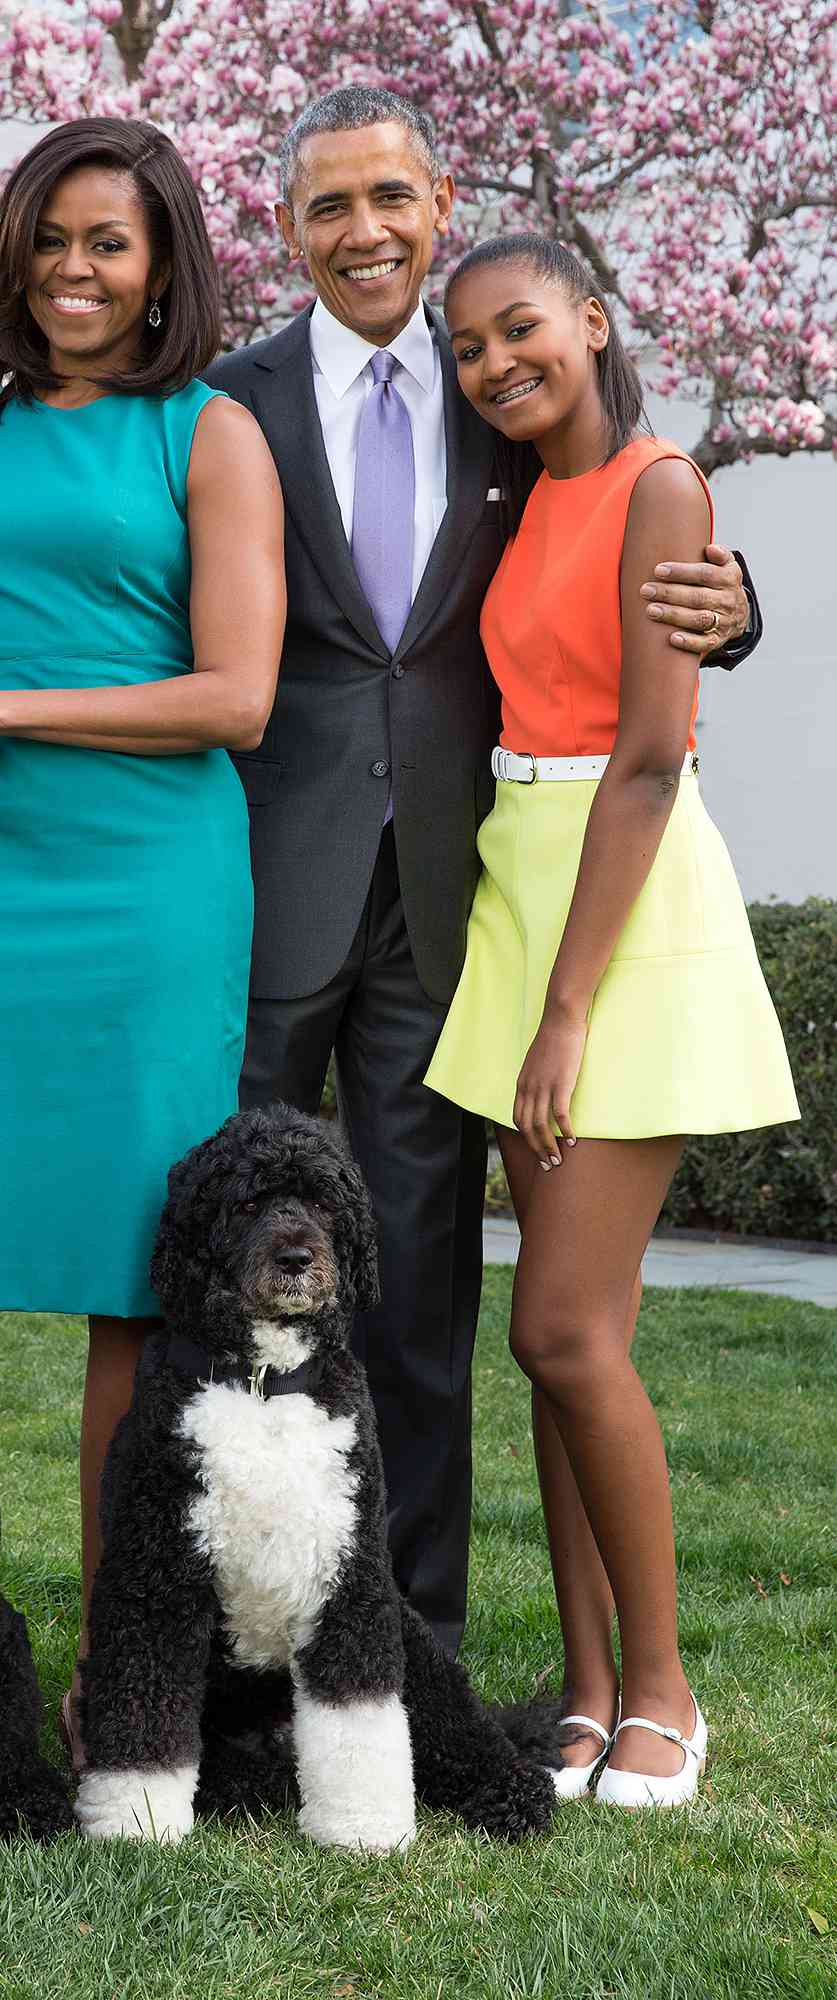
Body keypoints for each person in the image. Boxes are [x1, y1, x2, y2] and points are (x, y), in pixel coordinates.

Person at [203, 86, 760, 1657]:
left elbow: (627, 535)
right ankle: (225, 1627)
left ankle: (411, 1644)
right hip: (263, 882)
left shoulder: (499, 383)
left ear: (438, 203)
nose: (361, 231)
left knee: (418, 1287)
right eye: (326, 206)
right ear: (289, 229)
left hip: (459, 907)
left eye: (387, 197)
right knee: (219, 1266)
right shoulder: (228, 402)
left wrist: (733, 600)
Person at [0, 117, 284, 1762]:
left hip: (148, 890)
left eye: (107, 242)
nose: (72, 270)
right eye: (48, 237)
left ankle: (119, 1696)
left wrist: (0, 704)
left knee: (139, 1289)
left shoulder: (213, 434)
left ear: (163, 260)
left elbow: (236, 698)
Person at [424, 232, 797, 1805]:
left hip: (617, 905)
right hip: (519, 883)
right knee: (565, 1348)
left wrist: (565, 1011)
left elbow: (648, 758)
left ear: (592, 317)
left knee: (558, 1328)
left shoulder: (659, 483)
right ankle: (581, 1692)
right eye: (466, 349)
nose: (496, 364)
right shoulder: (516, 497)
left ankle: (662, 1692)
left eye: (520, 330)